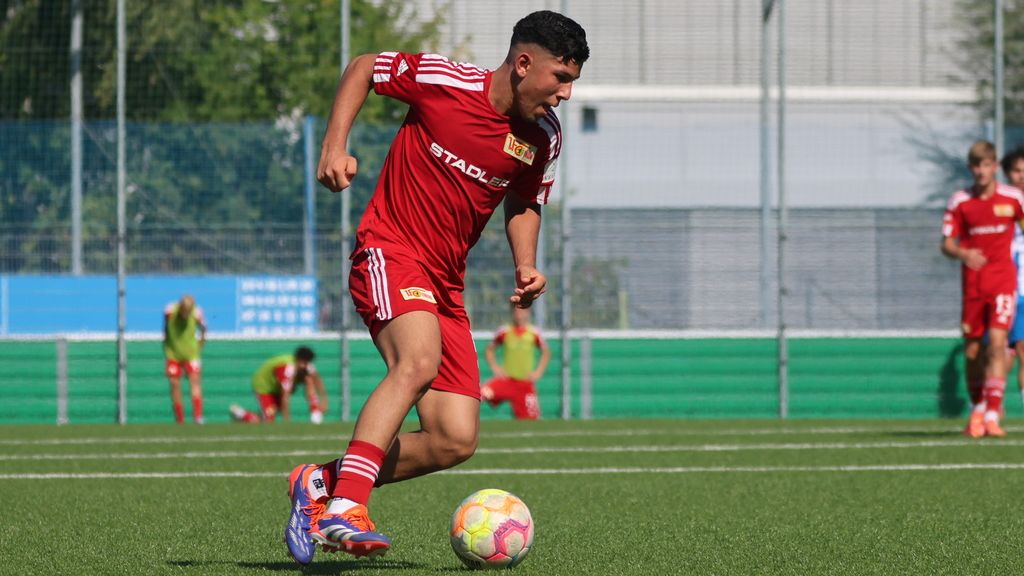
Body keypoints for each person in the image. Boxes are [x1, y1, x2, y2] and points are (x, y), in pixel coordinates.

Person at [282, 10, 589, 565]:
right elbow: (364, 67)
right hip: (390, 250)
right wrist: (332, 145)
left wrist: (526, 263)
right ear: (524, 64)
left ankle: (321, 483)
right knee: (417, 361)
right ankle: (345, 508)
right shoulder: (446, 82)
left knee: (454, 438)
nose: (565, 94)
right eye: (560, 78)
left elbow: (525, 199)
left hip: (446, 284)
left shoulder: (543, 136)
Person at [941, 140, 1024, 438]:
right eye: (976, 166)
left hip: (1004, 282)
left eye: (986, 165)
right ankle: (979, 408)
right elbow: (946, 243)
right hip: (974, 286)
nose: (981, 171)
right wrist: (962, 253)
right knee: (973, 351)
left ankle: (992, 415)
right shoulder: (960, 202)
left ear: (994, 167)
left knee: (998, 344)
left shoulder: (1013, 199)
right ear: (970, 168)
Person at [481, 305, 550, 420]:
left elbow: (546, 352)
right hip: (506, 381)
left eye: (522, 311)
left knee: (532, 421)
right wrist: (495, 367)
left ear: (527, 312)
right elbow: (489, 350)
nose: (519, 314)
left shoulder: (533, 332)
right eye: (516, 311)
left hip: (525, 384)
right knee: (479, 394)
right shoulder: (504, 331)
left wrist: (538, 372)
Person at [229, 346, 327, 423]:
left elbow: (317, 381)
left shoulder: (306, 365)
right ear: (298, 360)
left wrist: (324, 401)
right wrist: (287, 422)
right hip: (264, 387)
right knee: (268, 420)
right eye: (304, 363)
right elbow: (285, 397)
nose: (306, 366)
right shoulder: (287, 368)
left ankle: (315, 413)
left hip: (277, 387)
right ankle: (242, 414)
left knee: (308, 379)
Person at [162, 295, 207, 424]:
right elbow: (165, 328)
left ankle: (198, 417)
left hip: (191, 354)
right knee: (175, 384)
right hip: (173, 354)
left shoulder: (197, 314)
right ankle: (180, 419)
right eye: (184, 311)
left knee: (195, 382)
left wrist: (200, 345)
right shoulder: (170, 311)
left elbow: (204, 329)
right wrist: (167, 344)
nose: (186, 314)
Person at [1003, 146, 1024, 409]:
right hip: (1010, 287)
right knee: (1006, 351)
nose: (1022, 176)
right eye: (1017, 171)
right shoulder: (1000, 204)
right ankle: (988, 412)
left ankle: (989, 413)